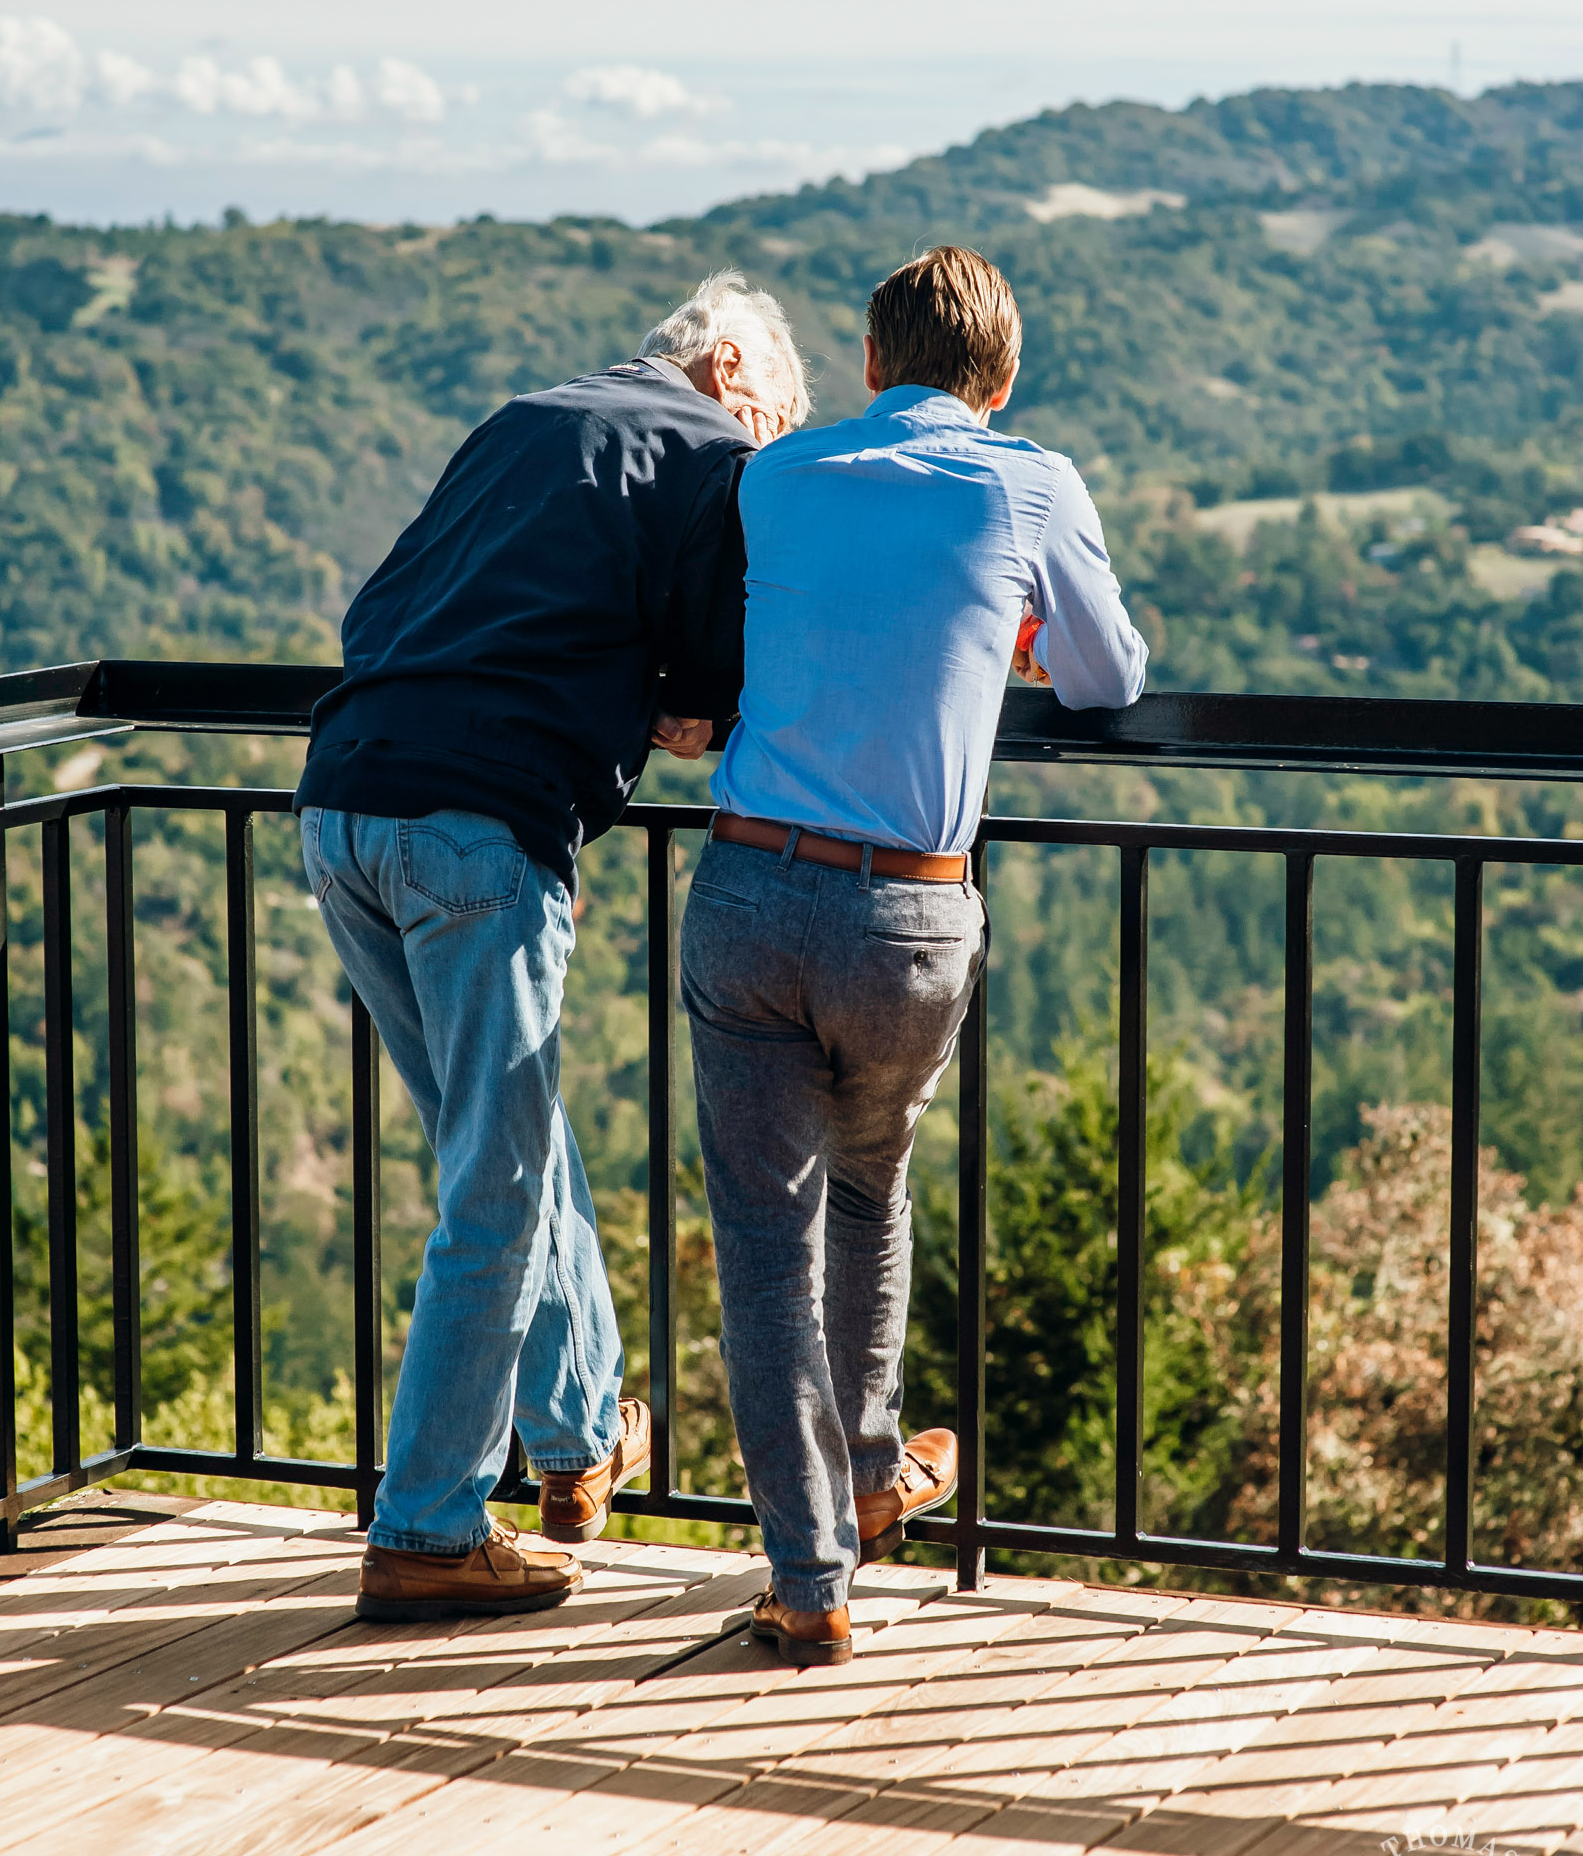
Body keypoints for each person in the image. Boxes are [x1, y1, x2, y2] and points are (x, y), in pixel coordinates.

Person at [297, 272, 807, 1623]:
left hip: (344, 800)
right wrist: (674, 704)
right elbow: (715, 687)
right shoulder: (708, 455)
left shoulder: (525, 417)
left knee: (506, 1147)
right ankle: (427, 1526)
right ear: (730, 366)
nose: (769, 441)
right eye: (772, 412)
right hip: (479, 825)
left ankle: (582, 1437)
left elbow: (388, 606)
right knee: (497, 1184)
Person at [681, 245, 1147, 1665]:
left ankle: (809, 1576)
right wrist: (1002, 634)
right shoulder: (1028, 482)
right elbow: (1108, 678)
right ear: (1000, 383)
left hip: (749, 889)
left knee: (764, 1246)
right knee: (870, 1190)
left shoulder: (775, 479)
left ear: (870, 365)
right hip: (909, 918)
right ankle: (877, 1465)